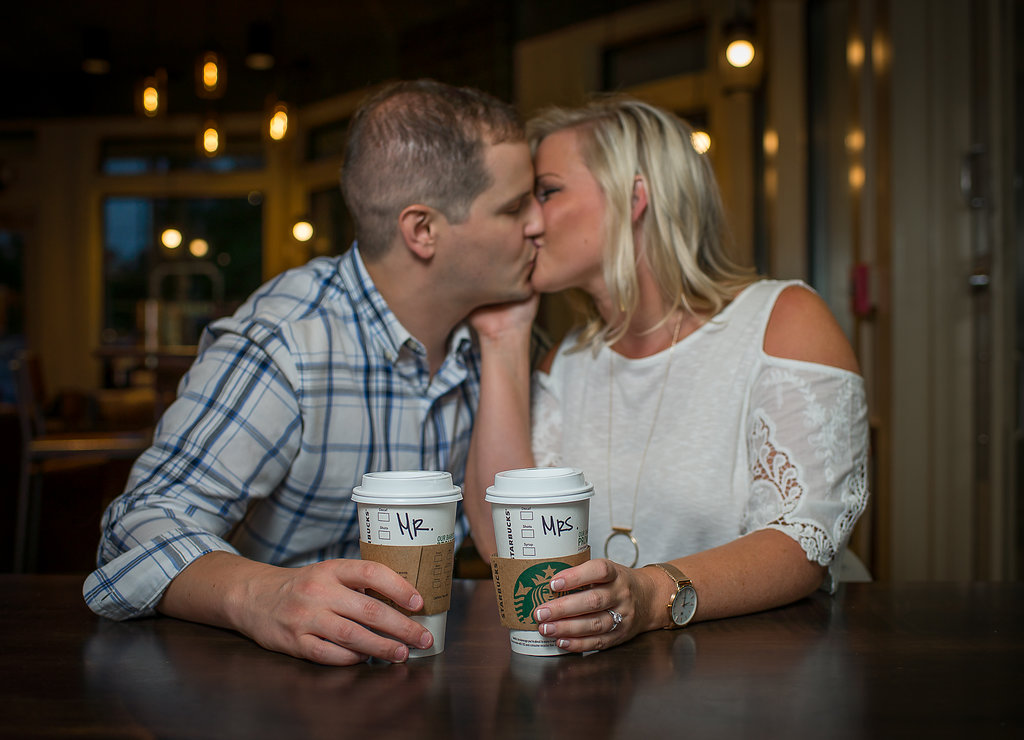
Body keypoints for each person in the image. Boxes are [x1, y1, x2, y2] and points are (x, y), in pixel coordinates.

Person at [83, 79, 544, 666]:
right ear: (422, 230)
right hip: (266, 685)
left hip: (417, 678)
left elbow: (514, 550)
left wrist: (506, 342)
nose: (539, 224)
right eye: (514, 207)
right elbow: (135, 531)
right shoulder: (288, 344)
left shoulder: (488, 332)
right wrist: (265, 593)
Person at [464, 96, 869, 653]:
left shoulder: (783, 322)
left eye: (547, 191)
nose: (528, 221)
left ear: (635, 197)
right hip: (615, 686)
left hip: (767, 666)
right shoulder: (565, 362)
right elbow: (498, 542)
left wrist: (651, 595)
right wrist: (502, 337)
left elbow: (802, 542)